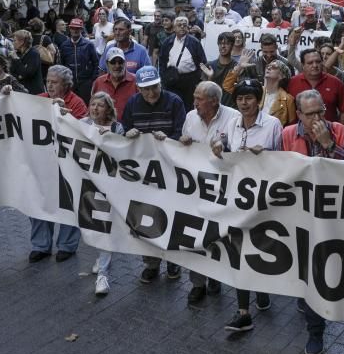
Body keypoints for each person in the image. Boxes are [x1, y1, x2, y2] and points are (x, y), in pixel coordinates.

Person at [282, 89, 344, 354]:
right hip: (302, 215)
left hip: (333, 214)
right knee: (308, 271)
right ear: (299, 114)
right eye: (310, 113)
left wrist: (329, 145)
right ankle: (315, 332)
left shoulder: (337, 130)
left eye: (320, 111)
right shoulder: (288, 134)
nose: (317, 118)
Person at [211, 78, 283, 331]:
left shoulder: (273, 125)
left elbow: (286, 160)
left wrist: (267, 155)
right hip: (237, 197)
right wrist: (219, 145)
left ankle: (261, 290)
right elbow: (224, 144)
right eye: (240, 98)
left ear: (259, 101)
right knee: (239, 249)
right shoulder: (232, 123)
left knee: (261, 247)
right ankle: (243, 311)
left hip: (264, 199)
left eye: (249, 98)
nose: (244, 103)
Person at [121, 66, 187, 284]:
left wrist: (168, 138)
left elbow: (181, 133)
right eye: (146, 89)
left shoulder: (174, 101)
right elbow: (124, 129)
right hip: (144, 173)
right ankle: (151, 264)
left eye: (154, 88)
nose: (151, 93)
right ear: (138, 88)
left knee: (172, 217)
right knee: (146, 219)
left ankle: (173, 262)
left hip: (169, 171)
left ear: (160, 85)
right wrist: (127, 133)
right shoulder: (132, 103)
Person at [180, 81, 240, 303]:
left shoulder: (233, 117)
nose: (194, 102)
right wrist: (183, 143)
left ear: (214, 101)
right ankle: (197, 283)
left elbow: (237, 152)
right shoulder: (190, 118)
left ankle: (215, 274)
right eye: (194, 97)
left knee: (218, 236)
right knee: (195, 235)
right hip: (196, 189)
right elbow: (182, 150)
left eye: (199, 98)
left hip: (224, 189)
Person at [25, 65, 87, 263]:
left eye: (54, 82)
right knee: (39, 201)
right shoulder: (39, 99)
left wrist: (62, 115)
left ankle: (67, 245)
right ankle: (41, 245)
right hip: (42, 163)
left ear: (66, 85)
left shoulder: (77, 103)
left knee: (68, 203)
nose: (49, 85)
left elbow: (80, 132)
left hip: (66, 164)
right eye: (48, 81)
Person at [83, 92, 124, 295]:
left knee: (105, 228)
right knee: (94, 226)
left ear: (108, 109)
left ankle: (103, 276)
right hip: (87, 185)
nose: (95, 108)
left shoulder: (117, 127)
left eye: (100, 105)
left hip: (109, 186)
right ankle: (101, 257)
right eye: (93, 104)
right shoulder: (82, 123)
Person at [287, 48, 344, 125]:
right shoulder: (292, 83)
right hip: (299, 134)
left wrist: (339, 131)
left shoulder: (336, 83)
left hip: (329, 133)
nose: (315, 65)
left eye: (318, 62)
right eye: (310, 63)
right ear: (303, 65)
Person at [57, 17, 99, 103]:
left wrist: (92, 80)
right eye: (73, 28)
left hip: (85, 83)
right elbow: (61, 65)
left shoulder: (88, 45)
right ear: (70, 29)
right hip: (70, 83)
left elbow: (96, 63)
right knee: (70, 106)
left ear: (81, 29)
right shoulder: (64, 46)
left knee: (85, 106)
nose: (75, 30)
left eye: (78, 28)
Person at [91, 47, 138, 119]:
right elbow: (92, 107)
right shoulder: (99, 82)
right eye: (113, 62)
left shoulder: (136, 81)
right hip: (104, 128)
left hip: (130, 128)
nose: (117, 65)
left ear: (125, 63)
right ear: (107, 63)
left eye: (120, 62)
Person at [199, 32, 239, 105]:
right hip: (212, 106)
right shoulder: (209, 66)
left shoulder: (237, 67)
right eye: (220, 43)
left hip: (231, 107)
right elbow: (203, 92)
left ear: (232, 46)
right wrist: (210, 78)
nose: (223, 46)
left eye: (227, 43)